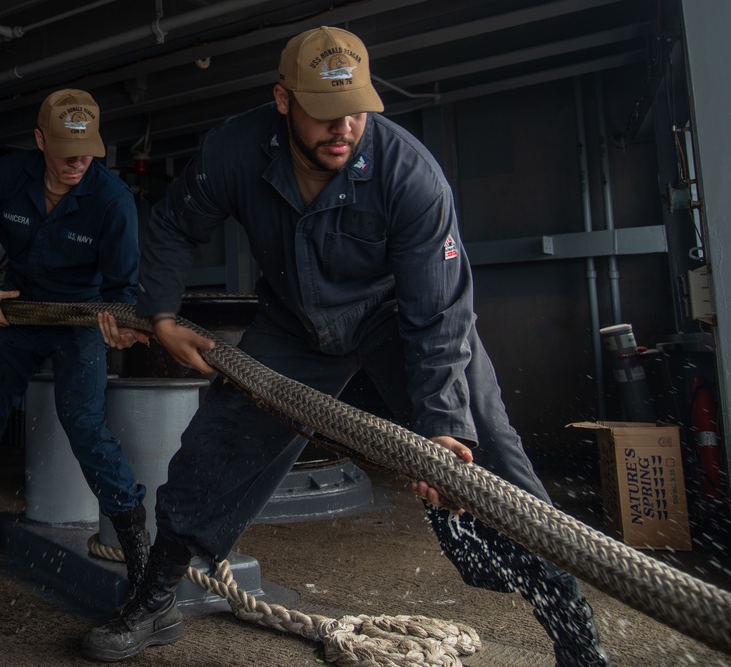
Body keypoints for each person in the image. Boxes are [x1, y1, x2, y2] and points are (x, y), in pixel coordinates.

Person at [84, 27, 609, 667]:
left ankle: (573, 632)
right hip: (296, 324)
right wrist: (158, 314)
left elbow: (438, 313)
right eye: (326, 113)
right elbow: (169, 225)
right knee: (216, 449)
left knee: (492, 453)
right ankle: (155, 598)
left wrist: (441, 426)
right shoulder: (235, 150)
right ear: (283, 100)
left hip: (396, 319)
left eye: (357, 110)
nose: (344, 127)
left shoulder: (410, 175)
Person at [0, 89, 152, 595]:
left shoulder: (113, 199)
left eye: (87, 151)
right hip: (14, 312)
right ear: (40, 140)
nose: (77, 162)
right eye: (64, 151)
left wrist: (122, 323)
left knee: (83, 424)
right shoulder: (6, 175)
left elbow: (124, 287)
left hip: (80, 319)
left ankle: (137, 548)